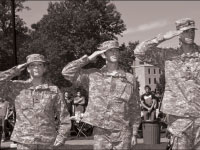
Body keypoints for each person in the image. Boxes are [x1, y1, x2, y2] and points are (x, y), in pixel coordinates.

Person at [62, 40, 141, 150]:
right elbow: (66, 72)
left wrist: (135, 132)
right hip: (101, 131)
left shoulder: (129, 78)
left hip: (123, 130)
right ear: (103, 55)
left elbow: (135, 106)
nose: (114, 53)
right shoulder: (93, 75)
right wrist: (89, 58)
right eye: (110, 51)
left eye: (116, 50)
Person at [135, 18, 200, 149]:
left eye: (192, 31)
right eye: (186, 31)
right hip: (178, 116)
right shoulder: (168, 55)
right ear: (178, 34)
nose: (190, 34)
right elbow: (139, 52)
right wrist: (161, 38)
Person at [0, 54, 70, 150]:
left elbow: (64, 116)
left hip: (48, 142)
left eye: (40, 65)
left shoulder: (53, 90)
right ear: (28, 69)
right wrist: (13, 71)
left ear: (44, 68)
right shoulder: (17, 88)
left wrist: (62, 137)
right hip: (24, 141)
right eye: (32, 65)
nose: (36, 67)